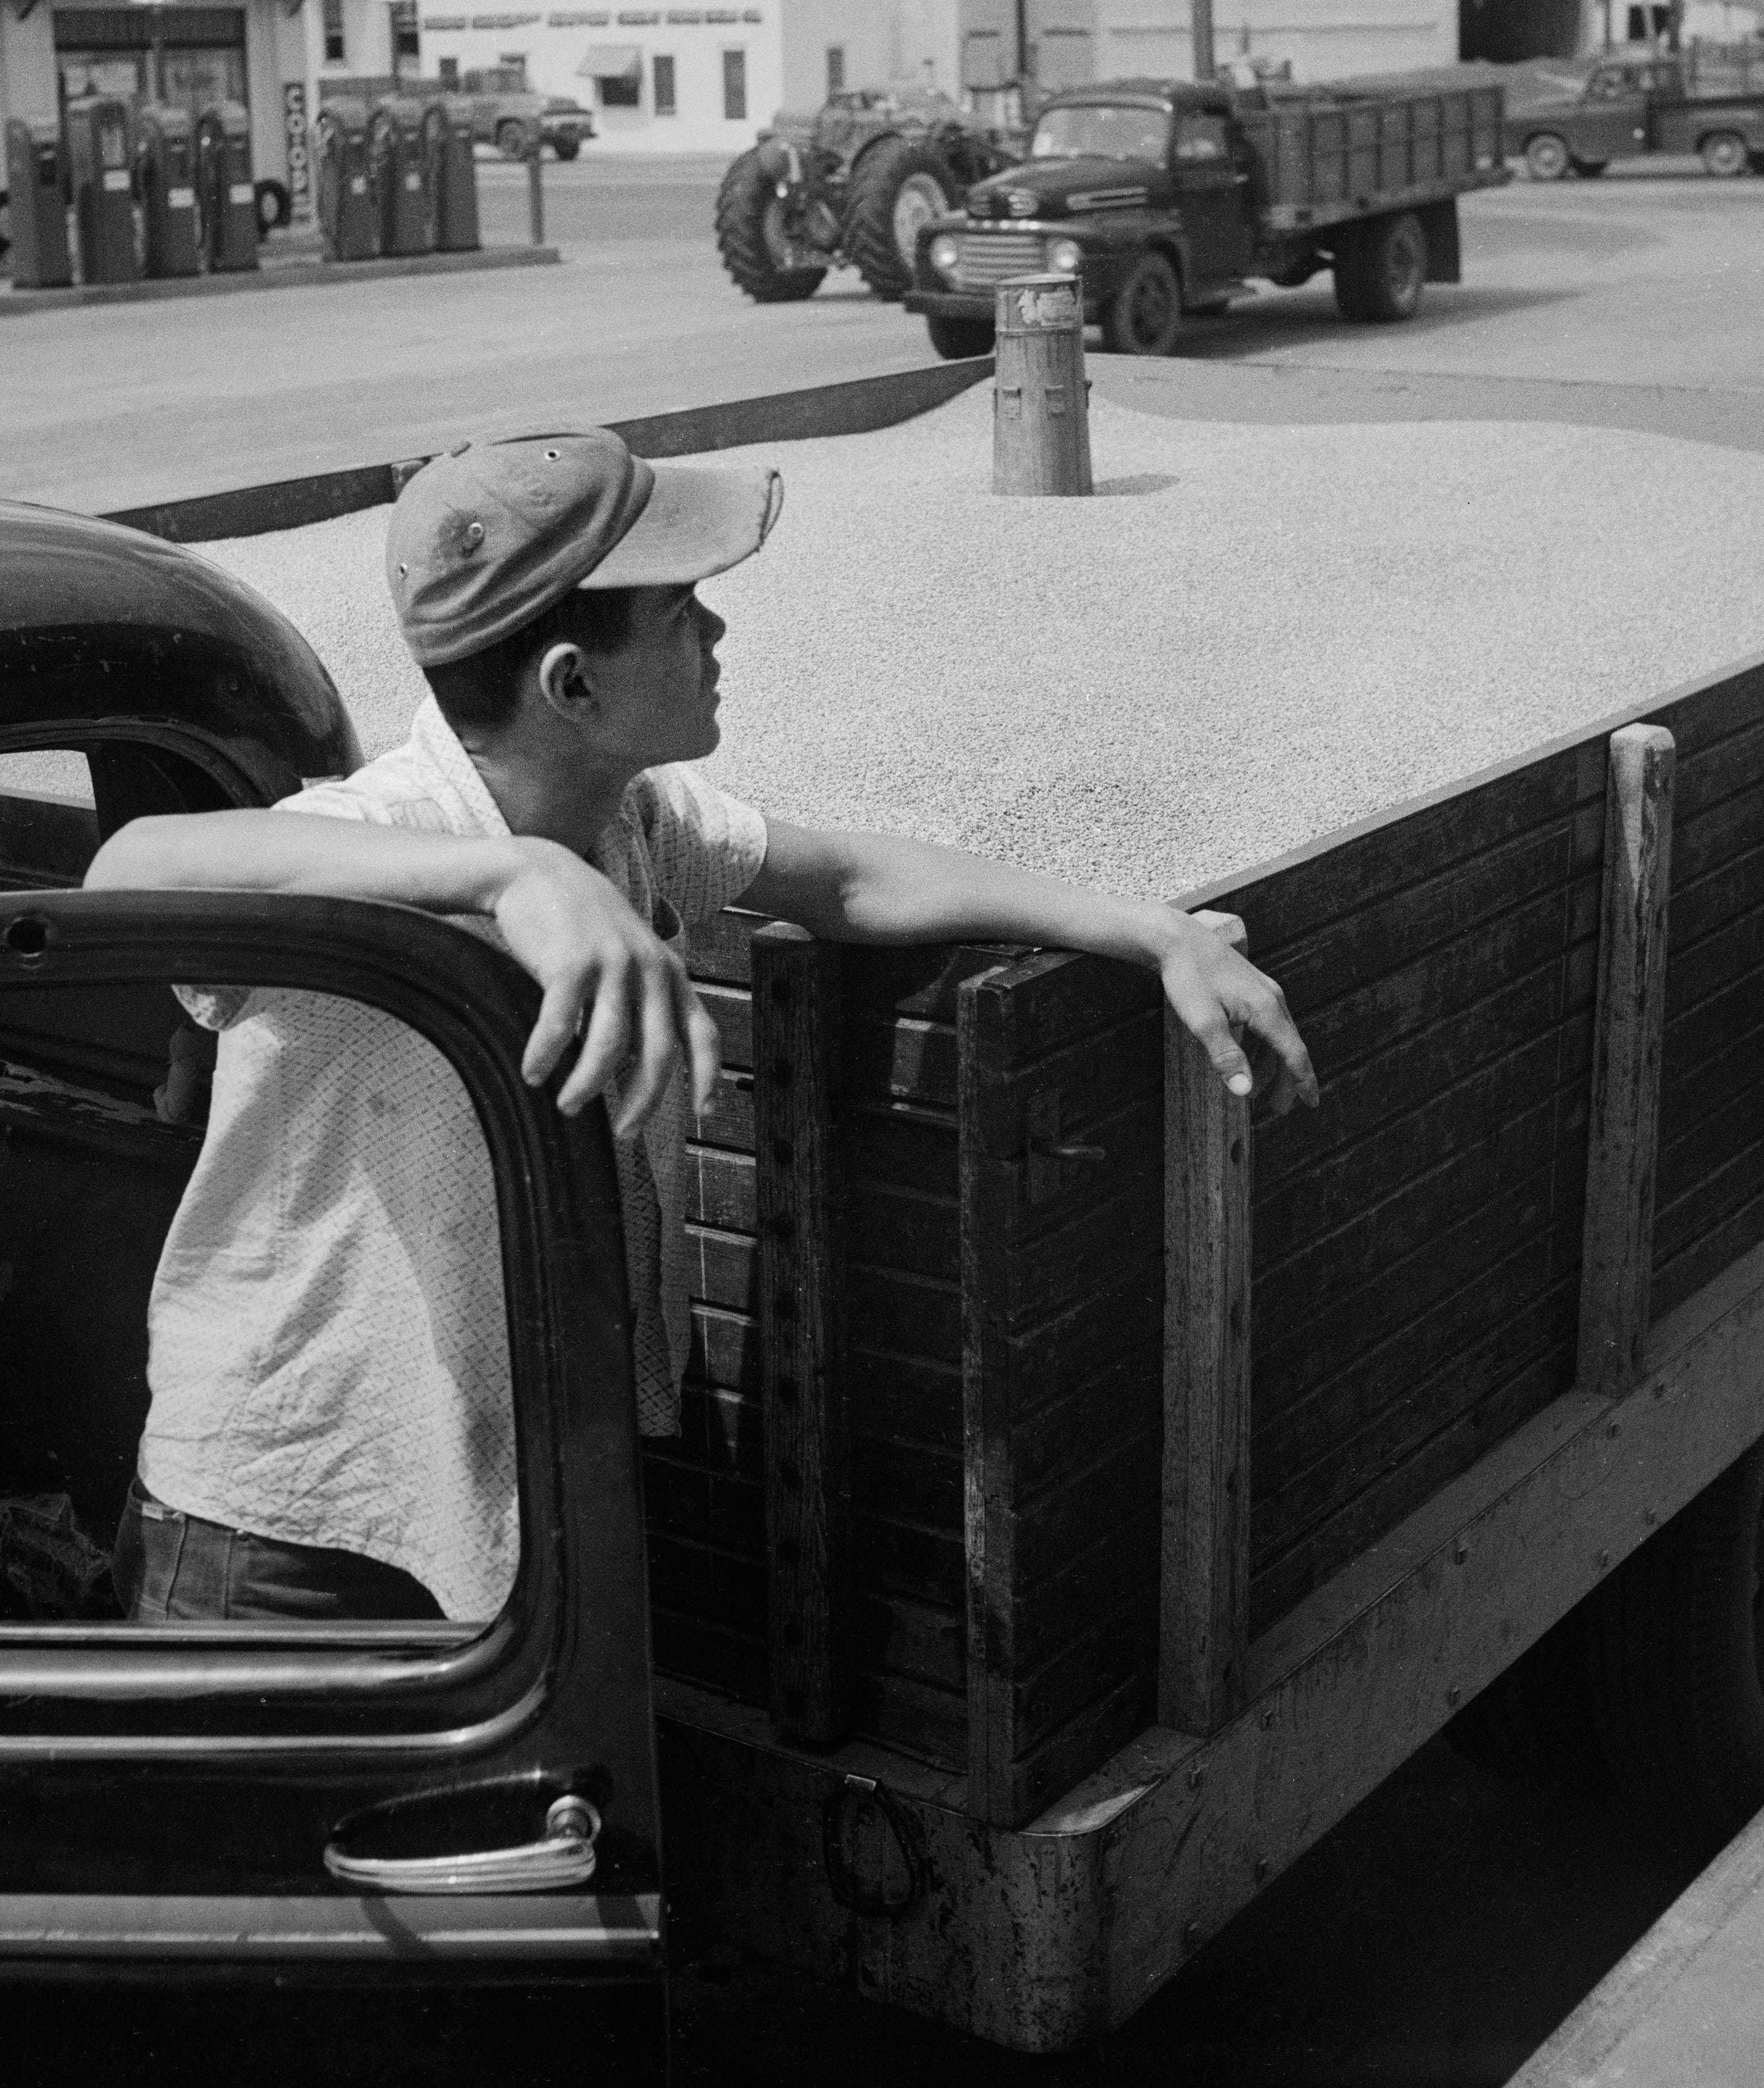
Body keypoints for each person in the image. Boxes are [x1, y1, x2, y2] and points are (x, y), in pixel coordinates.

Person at [86, 428, 1316, 1627]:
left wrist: (1149, 928)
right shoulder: (396, 827)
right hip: (288, 1535)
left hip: (500, 1510)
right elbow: (130, 875)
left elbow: (846, 880)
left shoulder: (635, 817)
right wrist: (504, 875)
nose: (718, 631)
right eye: (682, 611)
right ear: (573, 682)